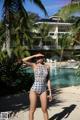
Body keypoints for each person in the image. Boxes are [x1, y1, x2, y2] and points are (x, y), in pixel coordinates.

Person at [22, 53, 52, 120]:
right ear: (36, 58)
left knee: (44, 109)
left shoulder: (47, 66)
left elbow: (48, 79)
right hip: (34, 89)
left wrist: (50, 92)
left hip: (43, 90)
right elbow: (23, 60)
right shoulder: (34, 65)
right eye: (37, 57)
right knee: (32, 109)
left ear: (43, 58)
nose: (39, 58)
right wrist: (34, 55)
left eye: (40, 57)